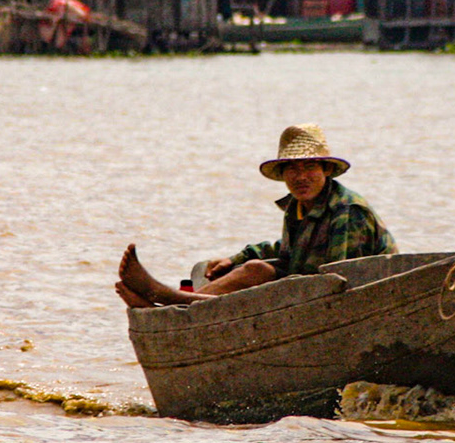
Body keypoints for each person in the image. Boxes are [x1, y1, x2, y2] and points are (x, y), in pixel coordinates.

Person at [117, 124, 395, 308]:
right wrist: (236, 260)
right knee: (254, 269)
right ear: (283, 174)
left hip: (355, 300)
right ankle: (178, 305)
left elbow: (337, 280)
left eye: (309, 167)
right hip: (313, 286)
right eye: (292, 169)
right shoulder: (298, 207)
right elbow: (286, 251)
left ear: (325, 170)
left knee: (259, 276)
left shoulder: (347, 212)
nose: (300, 177)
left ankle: (173, 303)